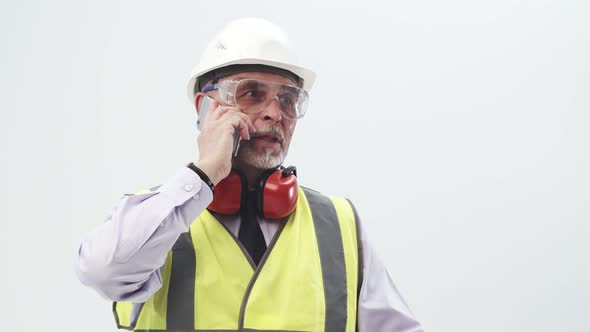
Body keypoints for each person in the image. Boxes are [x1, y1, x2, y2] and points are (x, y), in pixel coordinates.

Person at [75, 17, 423, 332]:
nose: (275, 112)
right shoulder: (157, 218)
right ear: (205, 107)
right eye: (252, 93)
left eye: (288, 99)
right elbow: (102, 271)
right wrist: (203, 174)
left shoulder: (341, 224)